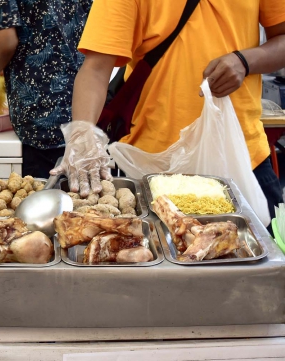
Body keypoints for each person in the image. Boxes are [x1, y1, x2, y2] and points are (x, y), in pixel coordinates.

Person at [50, 0, 285, 221]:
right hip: (151, 167)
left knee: (266, 260)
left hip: (243, 156)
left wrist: (245, 61)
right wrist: (82, 136)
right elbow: (96, 68)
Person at [0, 0, 92, 178]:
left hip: (40, 121)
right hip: (86, 110)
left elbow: (5, 41)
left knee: (44, 200)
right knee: (80, 201)